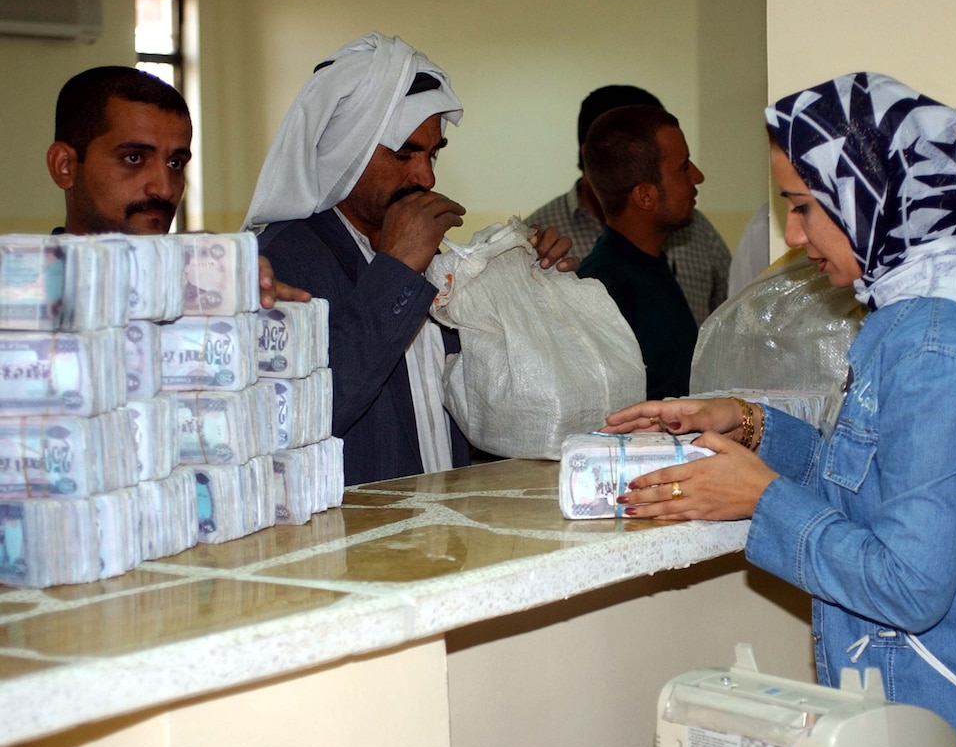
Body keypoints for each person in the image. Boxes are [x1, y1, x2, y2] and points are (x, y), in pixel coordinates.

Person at [603, 72, 956, 747]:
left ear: (876, 194)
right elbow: (879, 488)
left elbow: (908, 584)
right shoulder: (914, 315)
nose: (794, 235)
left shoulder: (932, 343)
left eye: (804, 207)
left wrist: (763, 500)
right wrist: (755, 425)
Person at [244, 33, 575, 486]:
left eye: (432, 153)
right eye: (404, 154)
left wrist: (527, 287)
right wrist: (397, 271)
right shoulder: (277, 261)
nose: (426, 175)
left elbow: (490, 405)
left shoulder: (426, 255)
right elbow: (301, 416)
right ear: (347, 153)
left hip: (445, 530)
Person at [46, 65, 304, 308]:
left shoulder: (202, 290)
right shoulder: (18, 305)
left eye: (175, 163)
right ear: (65, 166)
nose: (164, 189)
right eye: (134, 158)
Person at [525, 84, 732, 325]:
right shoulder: (542, 247)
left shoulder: (695, 231)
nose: (698, 177)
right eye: (682, 166)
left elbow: (728, 328)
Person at [577, 105, 701, 401]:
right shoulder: (605, 289)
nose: (698, 176)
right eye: (684, 167)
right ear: (645, 196)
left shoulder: (650, 265)